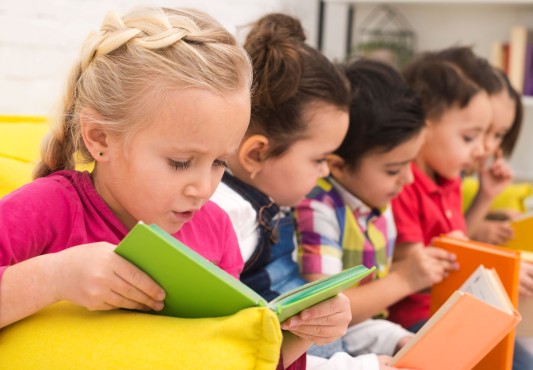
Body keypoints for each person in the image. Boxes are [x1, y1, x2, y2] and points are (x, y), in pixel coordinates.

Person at [0, 7, 353, 369]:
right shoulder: (48, 208)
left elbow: (225, 357)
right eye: (180, 162)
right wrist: (55, 278)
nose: (203, 188)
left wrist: (300, 334)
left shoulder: (216, 231)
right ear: (100, 138)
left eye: (219, 162)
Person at [211, 13, 410, 370]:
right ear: (257, 153)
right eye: (319, 160)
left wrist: (390, 338)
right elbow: (239, 354)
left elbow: (313, 321)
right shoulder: (228, 219)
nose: (323, 175)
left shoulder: (273, 204)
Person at [294, 58, 457, 348]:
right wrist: (405, 280)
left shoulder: (375, 197)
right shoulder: (317, 208)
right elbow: (325, 311)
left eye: (411, 164)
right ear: (338, 166)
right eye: (393, 170)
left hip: (369, 332)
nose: (408, 180)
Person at [431, 46, 533, 370]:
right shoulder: (435, 178)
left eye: (497, 135)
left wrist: (488, 203)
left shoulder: (450, 179)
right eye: (478, 134)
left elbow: (457, 233)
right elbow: (447, 248)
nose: (487, 147)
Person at [389, 55, 493, 333]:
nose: (482, 150)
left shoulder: (450, 181)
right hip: (418, 318)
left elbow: (459, 242)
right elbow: (420, 271)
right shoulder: (403, 184)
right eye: (469, 138)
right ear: (425, 128)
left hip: (456, 306)